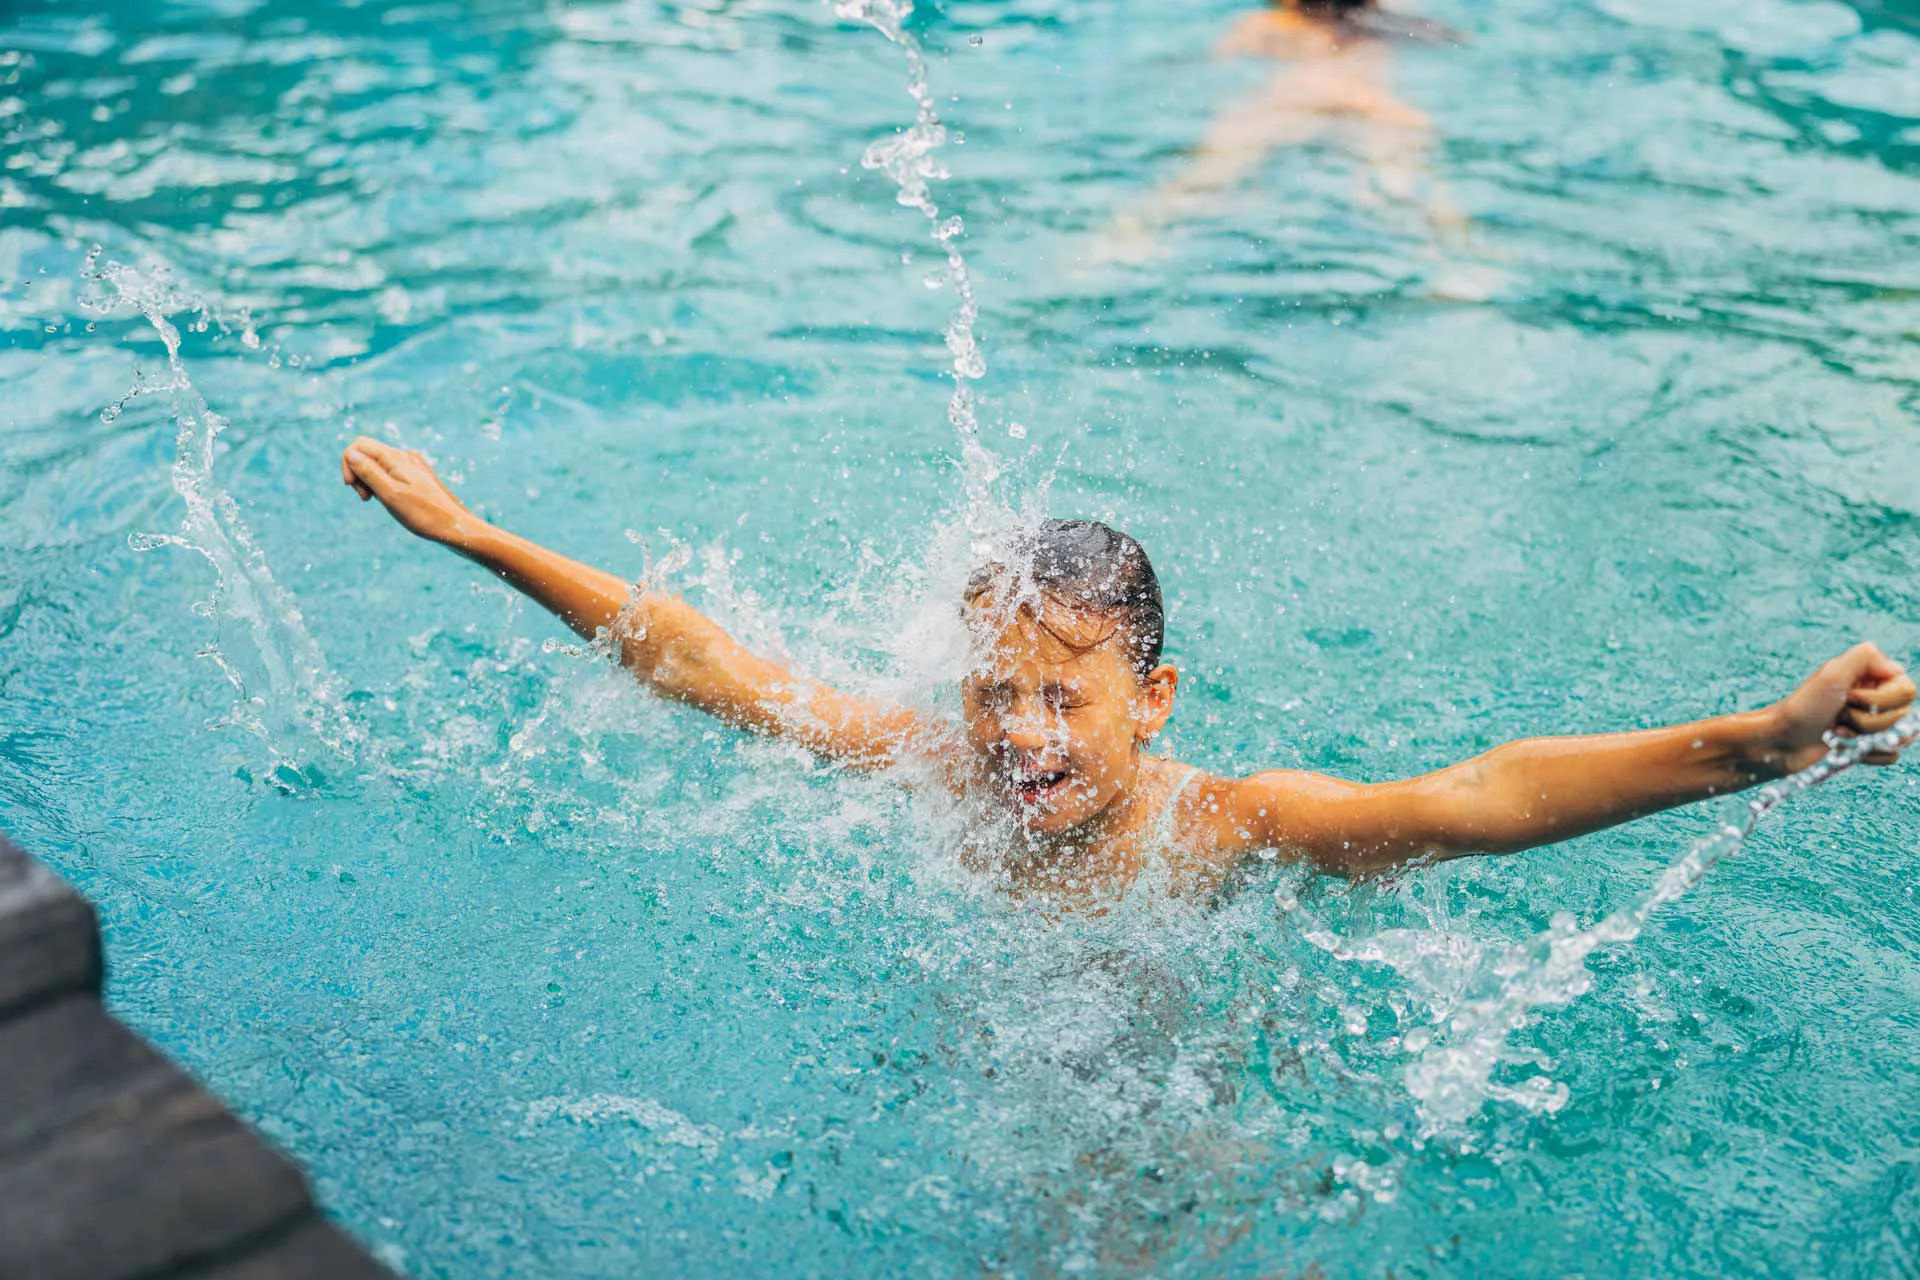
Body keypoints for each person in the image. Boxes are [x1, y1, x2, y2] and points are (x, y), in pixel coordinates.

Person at [340, 437, 1915, 905]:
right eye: (994, 689)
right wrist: (480, 535)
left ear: (1152, 699)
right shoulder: (932, 760)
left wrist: (1758, 741)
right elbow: (711, 664)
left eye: (1062, 697)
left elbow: (1466, 800)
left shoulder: (1216, 826)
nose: (1020, 734)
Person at [1094, 0, 1467, 265]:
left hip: (1294, 97)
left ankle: (1118, 245)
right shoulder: (1385, 23)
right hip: (1368, 102)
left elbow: (1209, 61)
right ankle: (1463, 261)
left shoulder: (1266, 25)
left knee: (1201, 182)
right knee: (1412, 188)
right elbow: (1446, 37)